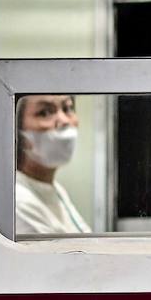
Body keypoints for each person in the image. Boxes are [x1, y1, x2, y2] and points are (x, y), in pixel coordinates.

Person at [15, 94, 91, 235]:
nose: (64, 121)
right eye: (45, 112)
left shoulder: (54, 189)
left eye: (67, 108)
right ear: (16, 129)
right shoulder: (18, 201)